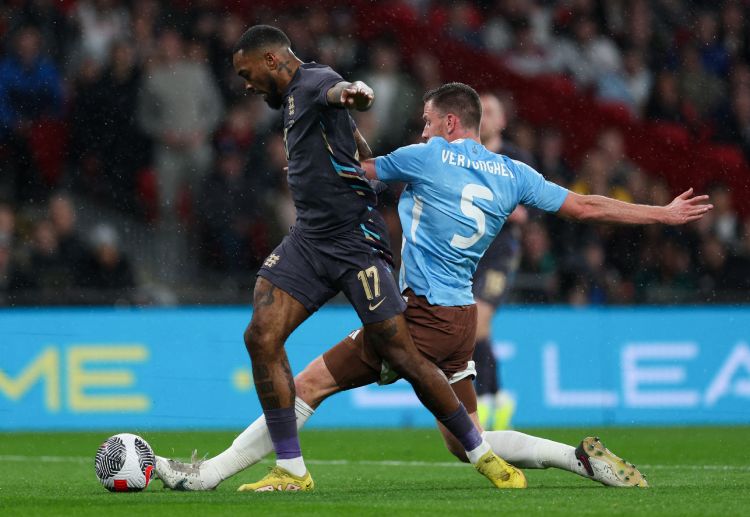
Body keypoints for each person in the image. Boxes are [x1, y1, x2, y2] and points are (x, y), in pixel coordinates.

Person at [156, 82, 712, 491]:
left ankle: (209, 476)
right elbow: (587, 206)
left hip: (417, 316)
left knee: (306, 385)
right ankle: (578, 460)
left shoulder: (425, 156)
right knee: (463, 436)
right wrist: (660, 214)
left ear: (449, 124)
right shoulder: (514, 172)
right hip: (460, 321)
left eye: (426, 120)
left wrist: (318, 135)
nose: (420, 129)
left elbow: (358, 174)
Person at [200, 26, 525, 492]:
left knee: (404, 355)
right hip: (310, 239)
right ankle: (291, 469)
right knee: (260, 335)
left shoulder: (313, 83)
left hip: (355, 243)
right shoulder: (292, 99)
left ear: (272, 61)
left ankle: (481, 453)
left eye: (247, 73)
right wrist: (362, 162)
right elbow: (355, 140)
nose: (245, 84)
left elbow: (341, 93)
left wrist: (356, 93)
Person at [471, 92, 529, 431]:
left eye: (490, 111)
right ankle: (496, 395)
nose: (483, 116)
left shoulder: (515, 159)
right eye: (478, 111)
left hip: (499, 254)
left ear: (502, 121)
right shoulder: (465, 158)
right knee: (471, 326)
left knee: (478, 321)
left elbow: (526, 209)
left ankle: (485, 396)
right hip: (466, 254)